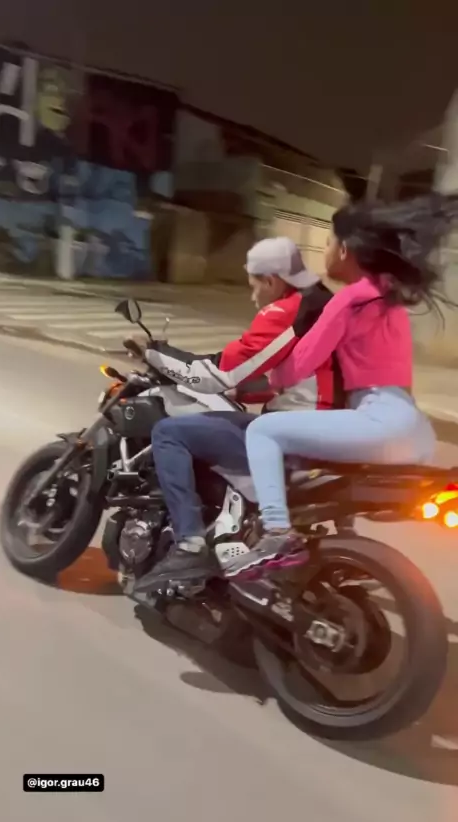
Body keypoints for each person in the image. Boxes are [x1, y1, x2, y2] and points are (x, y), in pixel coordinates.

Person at [219, 191, 458, 578]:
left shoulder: (350, 300)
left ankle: (277, 533)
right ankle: (344, 546)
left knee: (263, 431)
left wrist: (249, 385)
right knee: (325, 462)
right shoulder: (390, 298)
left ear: (344, 250)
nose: (325, 252)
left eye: (329, 243)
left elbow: (297, 366)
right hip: (416, 433)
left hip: (380, 422)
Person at [133, 237, 348, 594]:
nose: (252, 296)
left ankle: (189, 545)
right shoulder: (324, 304)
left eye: (253, 286)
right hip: (338, 429)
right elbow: (305, 377)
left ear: (272, 281)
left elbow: (220, 373)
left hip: (299, 434)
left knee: (169, 433)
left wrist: (155, 355)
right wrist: (244, 392)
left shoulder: (287, 311)